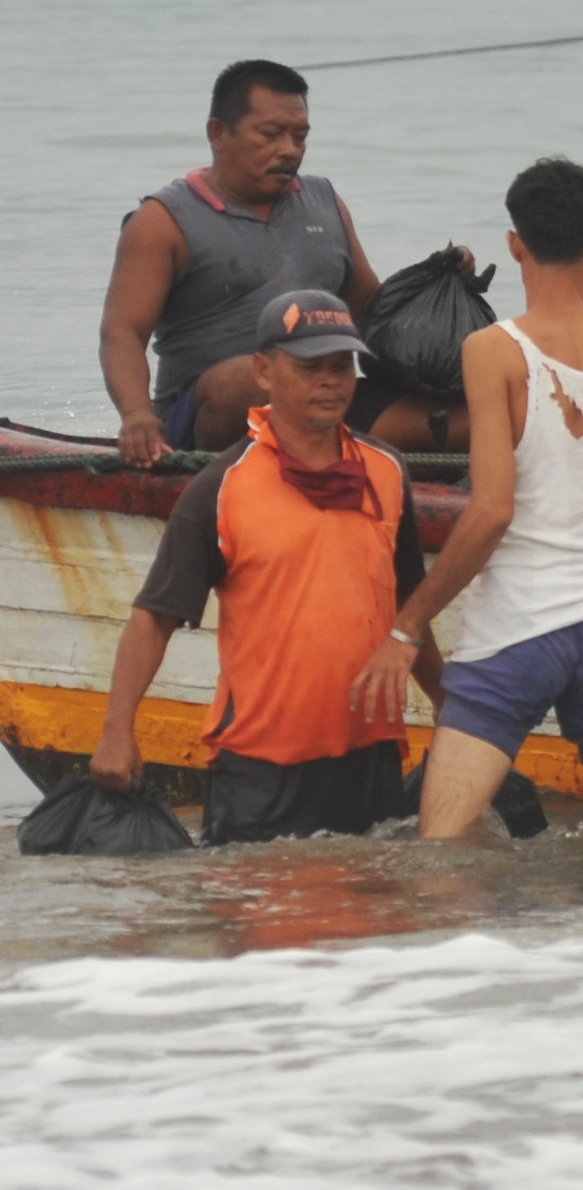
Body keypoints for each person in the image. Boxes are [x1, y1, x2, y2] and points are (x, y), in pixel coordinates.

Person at [375, 159, 583, 840]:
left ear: (515, 243)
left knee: (440, 850)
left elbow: (492, 510)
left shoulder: (492, 351)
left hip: (518, 625)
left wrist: (408, 626)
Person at [87, 288, 440, 842]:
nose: (330, 381)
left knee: (376, 895)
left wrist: (451, 708)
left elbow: (409, 608)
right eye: (309, 367)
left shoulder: (388, 471)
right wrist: (116, 732)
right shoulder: (221, 487)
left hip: (371, 755)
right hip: (259, 767)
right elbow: (153, 619)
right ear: (264, 371)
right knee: (258, 896)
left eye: (341, 366)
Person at [104, 59, 405, 466]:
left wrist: (437, 285)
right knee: (256, 377)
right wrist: (136, 415)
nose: (289, 150)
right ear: (218, 133)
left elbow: (372, 310)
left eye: (300, 137)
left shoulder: (325, 202)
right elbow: (122, 333)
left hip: (326, 401)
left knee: (465, 401)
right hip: (212, 416)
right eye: (270, 134)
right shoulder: (162, 220)